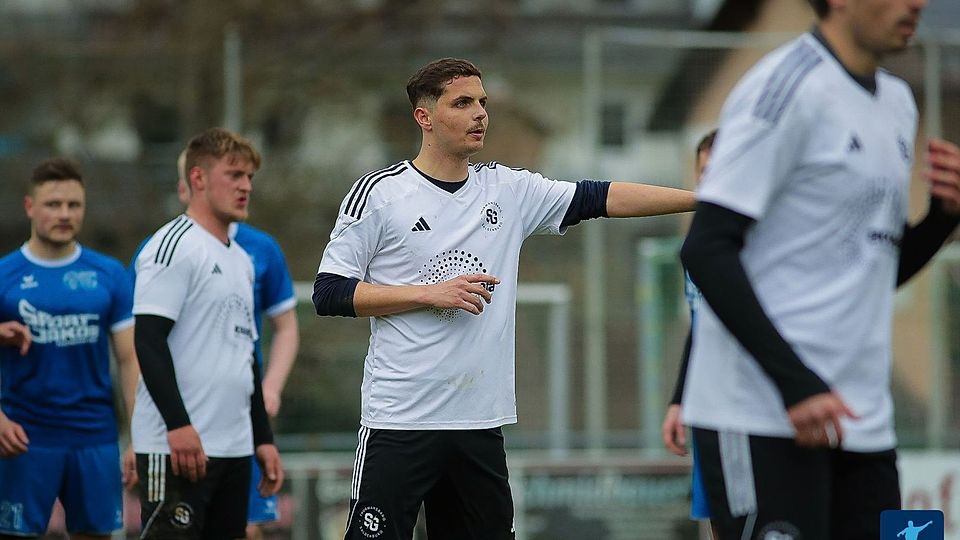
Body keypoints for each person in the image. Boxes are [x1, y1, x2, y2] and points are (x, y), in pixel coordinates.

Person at [312, 57, 696, 540]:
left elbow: (602, 197)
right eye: (463, 103)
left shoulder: (508, 189)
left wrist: (700, 199)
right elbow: (328, 292)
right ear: (424, 117)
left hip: (479, 422)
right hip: (400, 420)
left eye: (483, 103)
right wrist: (428, 295)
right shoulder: (381, 194)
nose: (480, 114)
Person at [679, 0, 960, 538]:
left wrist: (945, 218)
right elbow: (706, 250)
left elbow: (874, 269)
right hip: (760, 413)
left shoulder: (899, 104)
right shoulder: (785, 89)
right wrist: (796, 384)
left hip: (861, 420)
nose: (917, 4)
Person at [130, 151, 300, 540]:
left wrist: (263, 439)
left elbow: (247, 358)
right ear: (198, 178)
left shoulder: (242, 259)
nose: (246, 186)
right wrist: (179, 425)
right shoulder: (171, 246)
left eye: (250, 177)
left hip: (235, 447)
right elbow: (148, 340)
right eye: (234, 175)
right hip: (177, 447)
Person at [0, 158, 139, 539]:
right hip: (24, 436)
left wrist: (139, 435)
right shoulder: (4, 275)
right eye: (53, 204)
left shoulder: (108, 274)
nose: (64, 214)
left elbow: (130, 359)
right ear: (30, 207)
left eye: (73, 205)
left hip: (94, 436)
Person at [661, 129, 717, 538]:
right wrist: (681, 399)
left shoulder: (768, 241)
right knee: (721, 519)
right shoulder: (697, 245)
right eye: (705, 173)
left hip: (759, 414)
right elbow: (702, 329)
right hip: (712, 411)